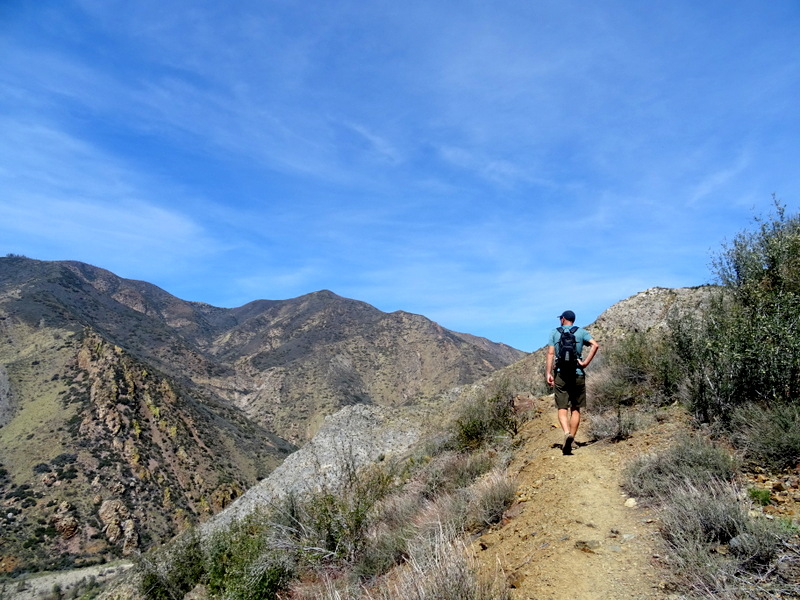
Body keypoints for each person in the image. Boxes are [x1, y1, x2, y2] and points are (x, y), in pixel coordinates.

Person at [545, 310, 599, 455]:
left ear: (562, 319)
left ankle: (566, 433)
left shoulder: (554, 332)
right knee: (575, 408)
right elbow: (595, 345)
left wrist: (548, 373)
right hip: (577, 373)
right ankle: (572, 439)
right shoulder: (581, 332)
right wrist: (585, 363)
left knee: (562, 408)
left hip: (561, 374)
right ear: (573, 320)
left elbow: (550, 353)